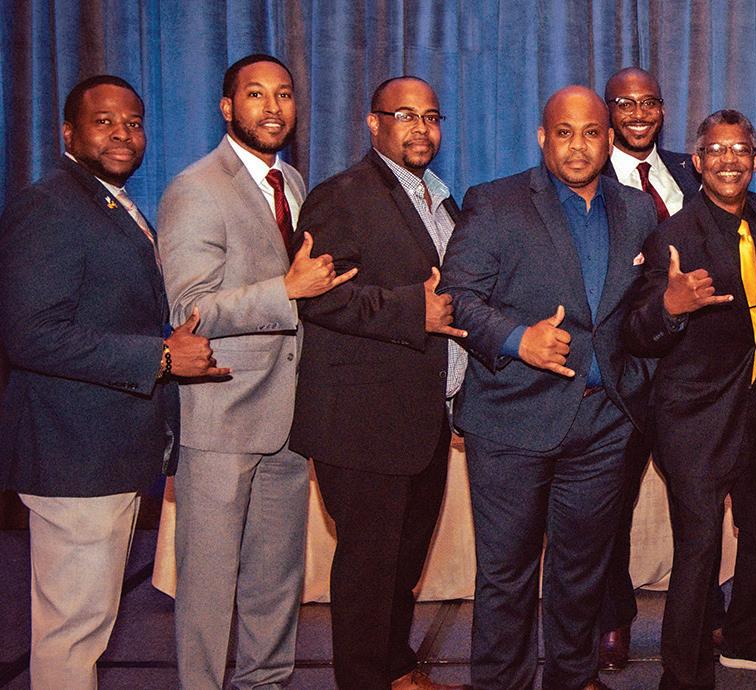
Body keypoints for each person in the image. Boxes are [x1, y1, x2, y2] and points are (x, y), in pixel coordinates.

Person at [597, 66, 756, 669]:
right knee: (698, 551)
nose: (729, 160)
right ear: (696, 164)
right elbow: (636, 330)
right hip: (692, 415)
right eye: (717, 151)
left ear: (754, 161)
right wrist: (669, 309)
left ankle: (747, 638)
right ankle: (684, 675)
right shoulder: (672, 235)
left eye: (740, 151)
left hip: (753, 403)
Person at [0, 74, 223, 690]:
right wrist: (160, 357)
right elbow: (31, 335)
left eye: (133, 123)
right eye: (104, 122)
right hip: (74, 454)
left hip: (103, 453)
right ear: (68, 133)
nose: (122, 134)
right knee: (72, 632)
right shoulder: (49, 207)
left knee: (85, 625)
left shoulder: (110, 203)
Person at [440, 85, 656, 690]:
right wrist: (518, 340)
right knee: (506, 576)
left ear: (609, 140)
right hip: (511, 421)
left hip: (602, 424)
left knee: (581, 574)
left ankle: (573, 676)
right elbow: (458, 297)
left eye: (591, 133)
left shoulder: (637, 209)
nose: (578, 146)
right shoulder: (495, 202)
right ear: (543, 138)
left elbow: (636, 308)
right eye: (564, 132)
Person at [157, 53, 355, 690]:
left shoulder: (291, 181)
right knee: (209, 583)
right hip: (220, 413)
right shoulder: (196, 187)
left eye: (284, 95)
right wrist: (286, 290)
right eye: (256, 95)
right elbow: (190, 309)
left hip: (289, 414)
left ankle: (266, 683)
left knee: (277, 578)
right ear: (227, 107)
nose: (273, 108)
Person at [287, 76, 468, 690]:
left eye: (431, 117)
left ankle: (395, 669)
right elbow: (317, 296)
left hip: (423, 417)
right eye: (405, 115)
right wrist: (412, 310)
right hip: (362, 424)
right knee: (368, 570)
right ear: (373, 123)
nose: (421, 128)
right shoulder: (342, 197)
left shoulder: (441, 199)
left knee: (403, 563)